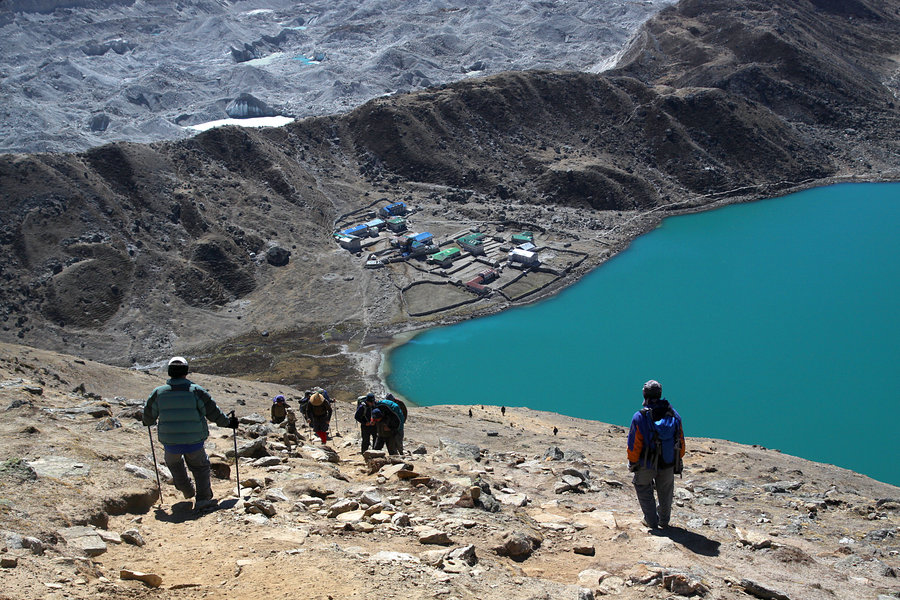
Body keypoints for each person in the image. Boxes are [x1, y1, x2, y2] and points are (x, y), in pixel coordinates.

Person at [143, 356, 238, 510]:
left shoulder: (158, 393)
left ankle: (187, 490)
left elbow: (148, 416)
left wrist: (147, 421)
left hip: (170, 442)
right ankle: (203, 499)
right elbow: (213, 412)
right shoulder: (196, 391)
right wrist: (228, 423)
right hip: (194, 440)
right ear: (186, 372)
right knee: (200, 468)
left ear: (169, 372)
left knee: (174, 465)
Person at [626, 379, 685, 530]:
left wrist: (633, 462)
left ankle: (651, 521)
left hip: (646, 463)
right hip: (668, 461)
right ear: (660, 394)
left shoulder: (639, 417)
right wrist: (677, 459)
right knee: (666, 492)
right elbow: (680, 439)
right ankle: (664, 521)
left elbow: (634, 444)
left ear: (644, 394)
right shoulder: (673, 415)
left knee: (642, 486)